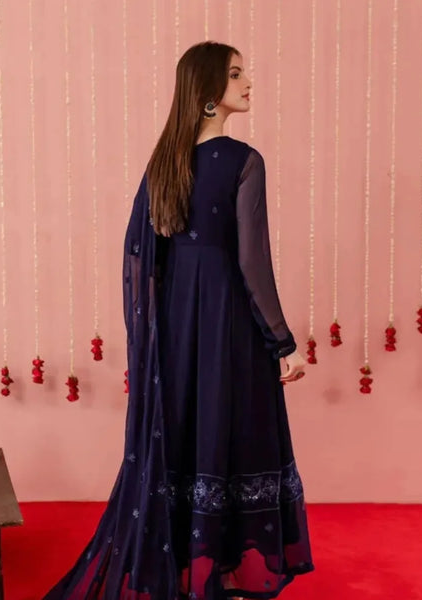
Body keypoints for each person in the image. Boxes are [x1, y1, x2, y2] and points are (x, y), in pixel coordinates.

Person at [44, 41, 314, 600]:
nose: (248, 82)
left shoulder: (164, 162)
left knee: (188, 442)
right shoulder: (244, 160)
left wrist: (154, 341)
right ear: (209, 91)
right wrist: (281, 342)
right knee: (235, 438)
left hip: (175, 334)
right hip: (229, 326)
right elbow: (252, 262)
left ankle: (186, 577)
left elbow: (140, 261)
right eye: (236, 74)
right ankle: (226, 576)